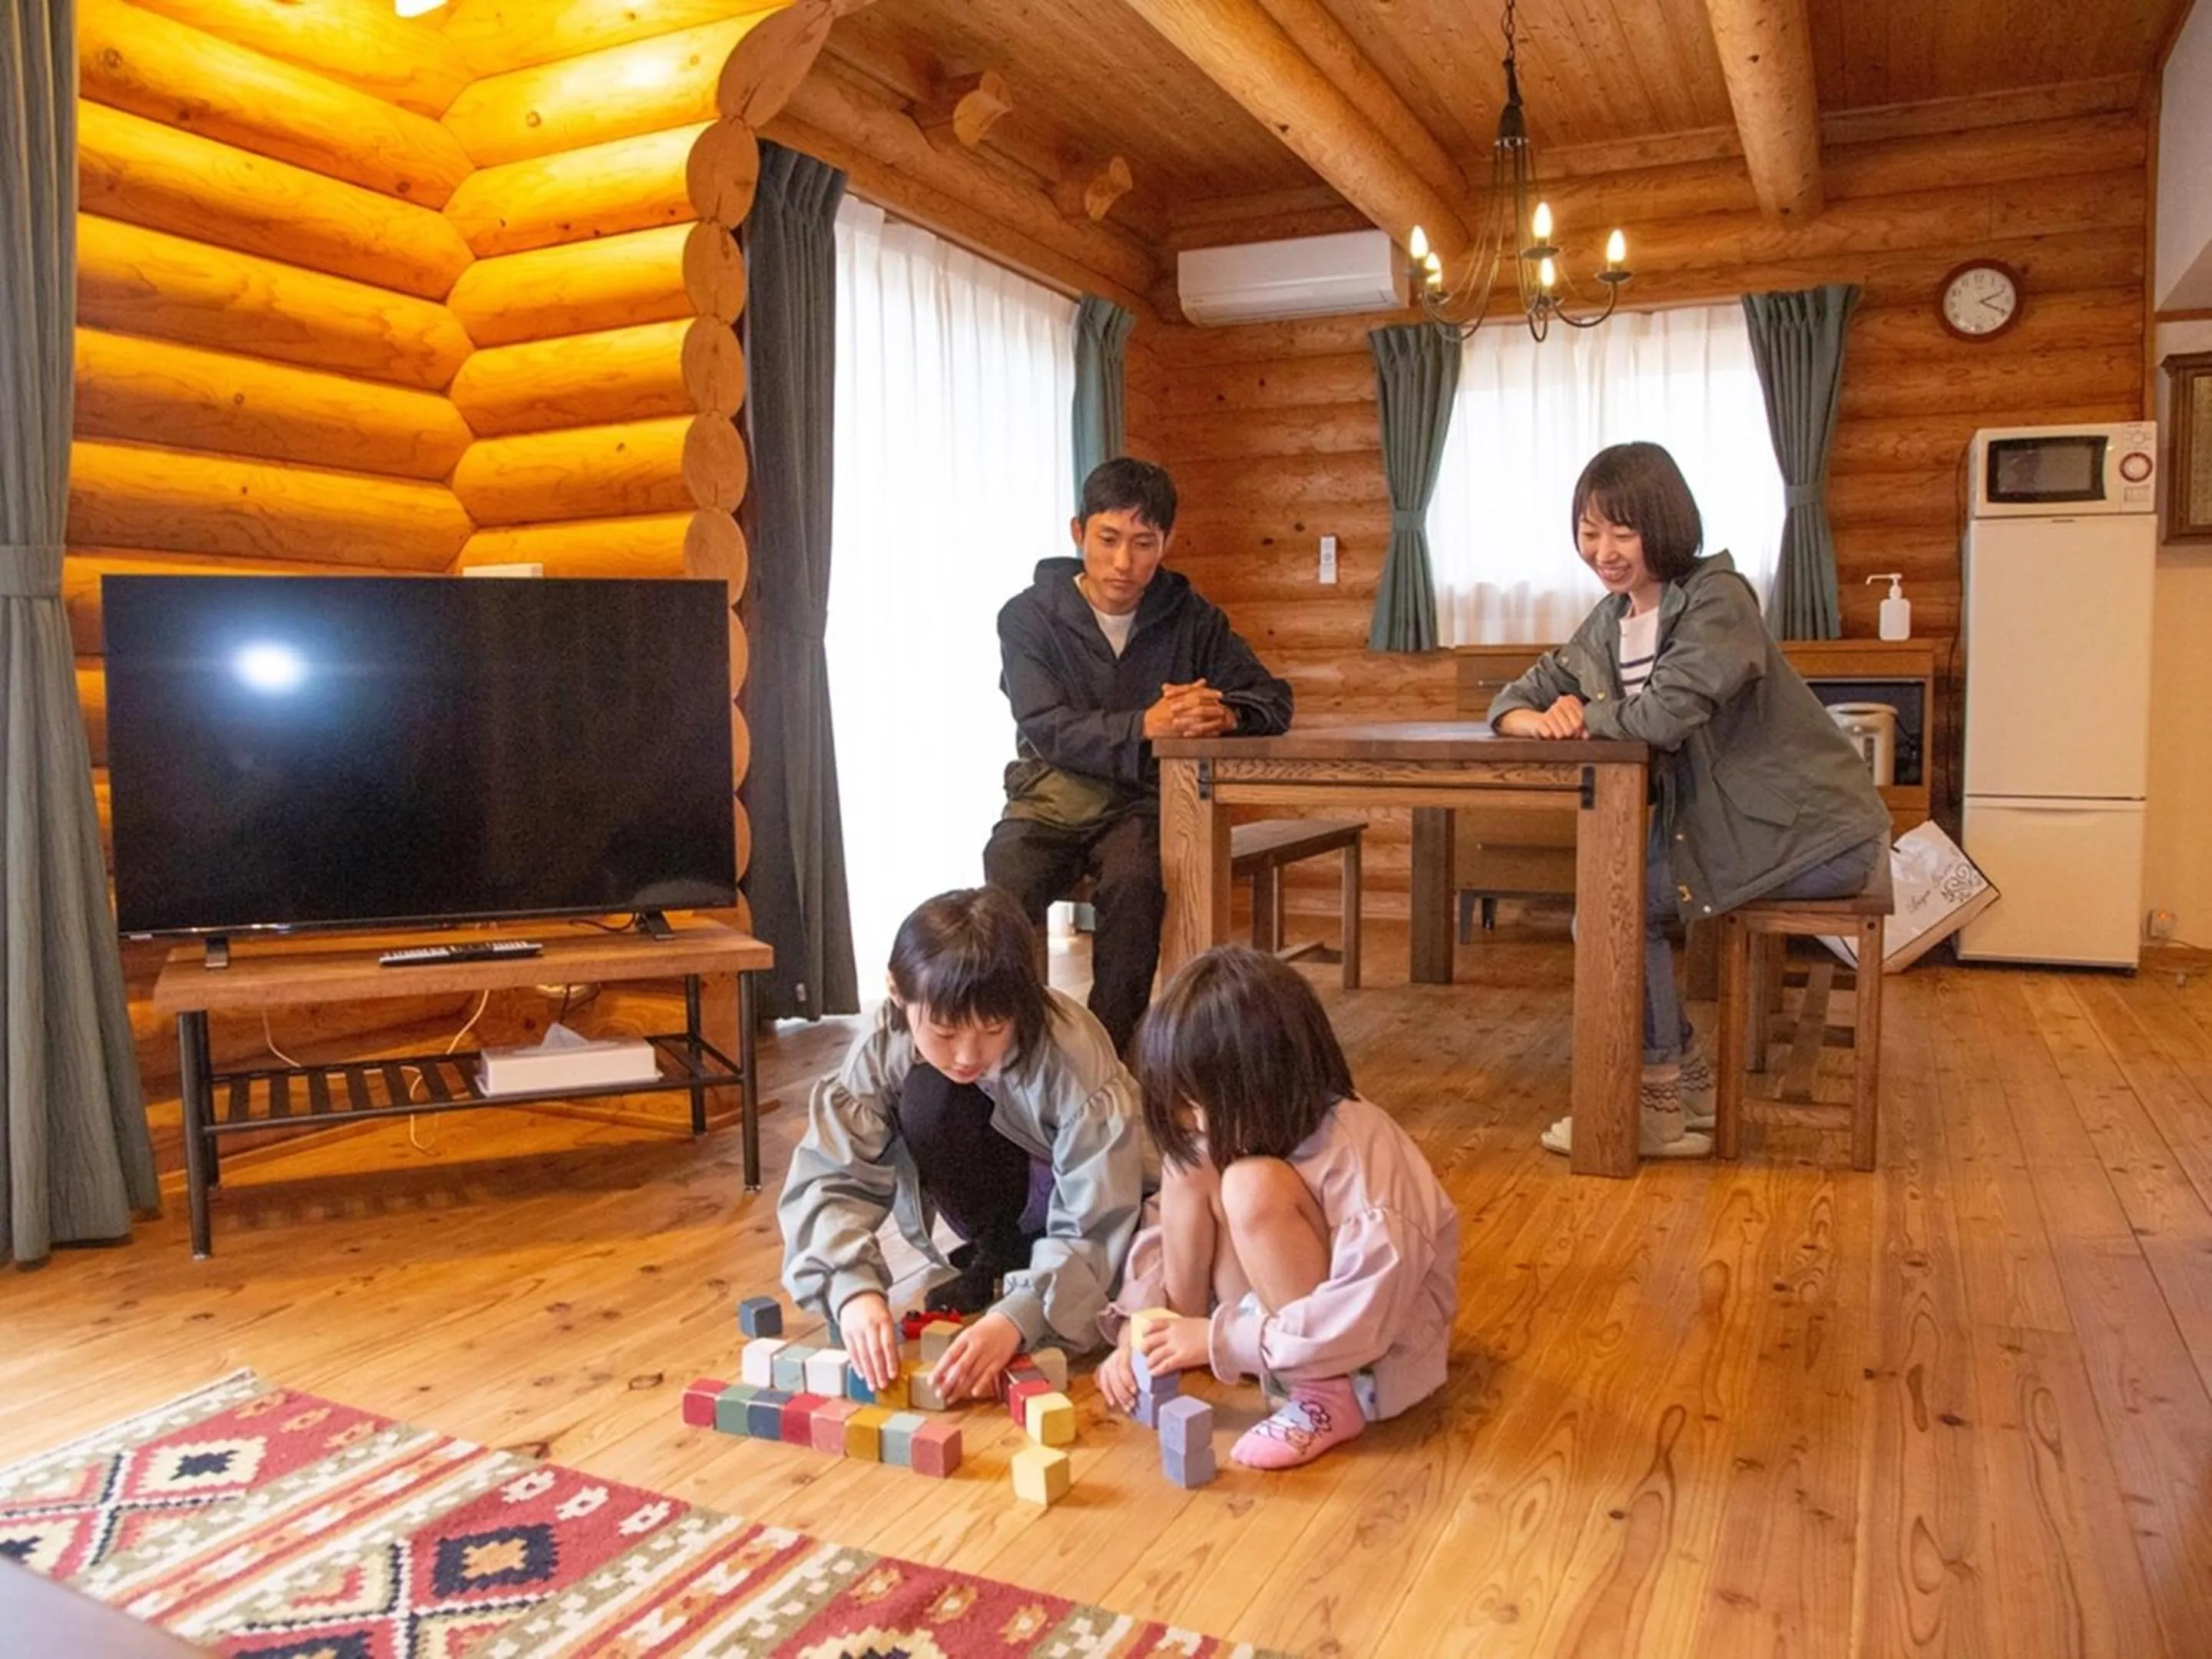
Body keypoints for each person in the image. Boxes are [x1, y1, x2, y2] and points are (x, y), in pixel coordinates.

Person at [1488, 441, 1891, 1157]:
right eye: (1588, 530)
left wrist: (1579, 716)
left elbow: (1663, 718)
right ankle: (1687, 1084)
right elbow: (1516, 696)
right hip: (1738, 831)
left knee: (1614, 910)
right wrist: (1536, 718)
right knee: (1612, 905)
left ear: (1665, 524)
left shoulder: (1717, 598)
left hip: (1811, 836)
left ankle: (1651, 1105)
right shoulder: (1610, 619)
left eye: (1622, 530)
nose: (1603, 551)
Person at [779, 886, 1154, 1403]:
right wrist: (851, 1289)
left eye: (994, 1028)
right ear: (896, 990)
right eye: (945, 1031)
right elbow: (831, 1173)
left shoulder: (1072, 1053)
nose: (966, 1053)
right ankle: (998, 1253)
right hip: (1004, 1201)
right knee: (931, 1094)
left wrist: (1019, 1319)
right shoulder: (885, 1043)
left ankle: (1027, 1272)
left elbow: (1101, 1215)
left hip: (1093, 1211)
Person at [1098, 945, 1459, 1471]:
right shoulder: (1245, 1125)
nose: (1195, 1121)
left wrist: (1221, 1339)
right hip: (1272, 1331)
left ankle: (1322, 1399)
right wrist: (1141, 1321)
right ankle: (1171, 1332)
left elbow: (1365, 1318)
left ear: (1269, 1076)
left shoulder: (1361, 1155)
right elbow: (1164, 1217)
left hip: (1366, 1361)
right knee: (1188, 1163)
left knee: (1250, 1185)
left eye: (1203, 1104)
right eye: (1184, 1105)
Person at [985, 456, 1293, 1056]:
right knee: (1004, 881)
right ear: (1079, 534)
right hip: (1049, 796)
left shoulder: (1191, 616)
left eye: (1143, 543)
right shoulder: (1027, 616)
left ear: (1166, 543)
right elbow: (1045, 726)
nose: (1124, 563)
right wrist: (1144, 726)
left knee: (1136, 883)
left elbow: (1274, 698)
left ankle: (1106, 1051)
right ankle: (1011, 1045)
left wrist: (1227, 713)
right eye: (1108, 539)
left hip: (1140, 803)